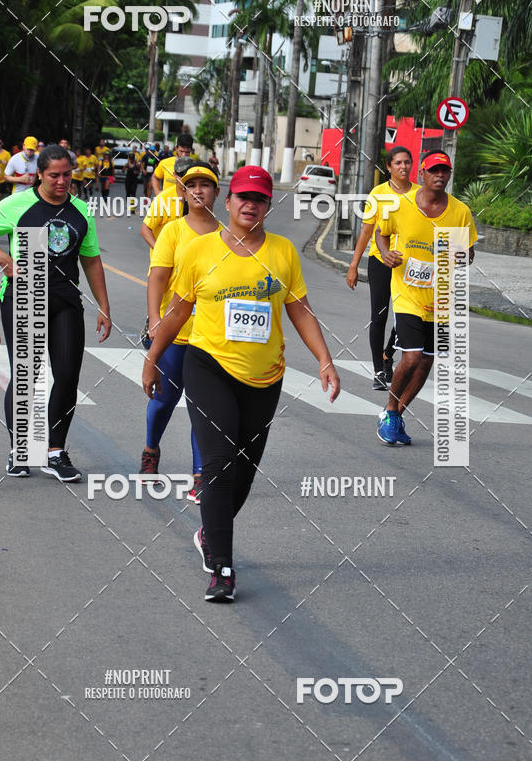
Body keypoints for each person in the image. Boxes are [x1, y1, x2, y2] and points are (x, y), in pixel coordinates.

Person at [142, 165, 340, 602]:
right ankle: (222, 568)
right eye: (243, 197)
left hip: (265, 377)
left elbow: (300, 310)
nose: (251, 205)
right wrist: (153, 358)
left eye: (260, 199)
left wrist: (325, 360)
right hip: (208, 366)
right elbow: (178, 311)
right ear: (229, 202)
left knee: (244, 472)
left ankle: (209, 533)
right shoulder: (200, 250)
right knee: (218, 464)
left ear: (268, 206)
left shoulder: (283, 252)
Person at [0, 144, 112, 482]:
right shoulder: (17, 205)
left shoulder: (80, 210)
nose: (61, 181)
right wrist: (5, 260)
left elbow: (91, 260)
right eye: (54, 175)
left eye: (67, 174)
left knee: (68, 375)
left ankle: (55, 452)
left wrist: (104, 306)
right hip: (23, 299)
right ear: (39, 174)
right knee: (26, 376)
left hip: (65, 302)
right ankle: (20, 450)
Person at [374, 150, 477, 445]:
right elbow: (381, 232)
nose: (439, 175)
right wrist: (385, 253)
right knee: (412, 356)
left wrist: (461, 254)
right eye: (434, 170)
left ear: (450, 174)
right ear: (422, 174)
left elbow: (469, 253)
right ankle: (390, 410)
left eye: (444, 171)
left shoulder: (460, 212)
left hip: (441, 296)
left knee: (427, 361)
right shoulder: (401, 205)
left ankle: (396, 414)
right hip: (407, 293)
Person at [142, 162, 223, 501]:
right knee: (164, 401)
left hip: (212, 338)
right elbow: (157, 278)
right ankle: (151, 450)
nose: (198, 190)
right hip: (175, 333)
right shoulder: (173, 231)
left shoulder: (227, 235)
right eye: (192, 185)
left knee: (203, 409)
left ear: (217, 193)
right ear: (183, 192)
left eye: (206, 184)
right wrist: (154, 320)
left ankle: (200, 475)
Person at [346, 146, 418, 389]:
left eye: (407, 162)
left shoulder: (419, 194)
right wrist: (354, 265)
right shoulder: (378, 194)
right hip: (380, 262)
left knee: (408, 316)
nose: (403, 167)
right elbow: (367, 231)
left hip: (408, 264)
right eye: (398, 163)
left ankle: (388, 353)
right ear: (389, 167)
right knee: (379, 315)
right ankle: (378, 370)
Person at [140, 156, 193, 253]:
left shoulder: (198, 199)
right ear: (175, 175)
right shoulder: (163, 199)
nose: (185, 179)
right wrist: (160, 252)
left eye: (189, 175)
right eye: (182, 175)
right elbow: (145, 229)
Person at [150, 133, 193, 198]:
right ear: (176, 148)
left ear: (191, 150)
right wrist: (157, 192)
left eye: (187, 152)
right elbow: (155, 177)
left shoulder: (194, 167)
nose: (183, 155)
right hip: (167, 202)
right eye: (181, 151)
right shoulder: (165, 163)